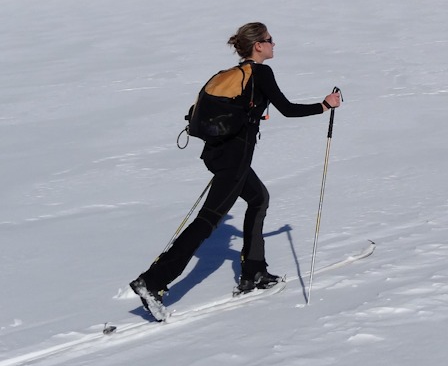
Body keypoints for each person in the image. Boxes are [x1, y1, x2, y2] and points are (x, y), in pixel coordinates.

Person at [130, 22, 342, 320]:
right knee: (206, 222)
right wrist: (325, 105)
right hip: (235, 159)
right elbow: (288, 109)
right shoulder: (260, 73)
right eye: (269, 40)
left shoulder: (232, 76)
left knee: (258, 198)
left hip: (217, 155)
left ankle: (254, 272)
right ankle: (152, 282)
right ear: (258, 46)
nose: (273, 44)